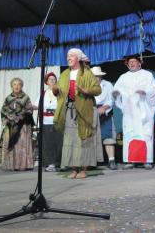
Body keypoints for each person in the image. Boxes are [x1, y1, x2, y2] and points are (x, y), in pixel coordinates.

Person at [53, 48, 103, 179]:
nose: (68, 58)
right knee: (71, 140)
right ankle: (74, 169)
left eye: (71, 56)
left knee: (83, 140)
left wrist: (84, 90)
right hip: (70, 109)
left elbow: (97, 89)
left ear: (78, 58)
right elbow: (58, 90)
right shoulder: (65, 74)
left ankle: (84, 170)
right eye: (67, 56)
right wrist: (56, 89)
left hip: (84, 110)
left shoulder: (86, 73)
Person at [113, 54, 155, 170]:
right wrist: (116, 93)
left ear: (139, 63)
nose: (131, 63)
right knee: (130, 134)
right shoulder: (123, 77)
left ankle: (146, 160)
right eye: (130, 62)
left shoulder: (147, 75)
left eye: (134, 61)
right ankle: (131, 160)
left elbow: (153, 90)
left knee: (145, 133)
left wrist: (143, 92)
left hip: (143, 110)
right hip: (130, 111)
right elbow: (116, 89)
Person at [0, 78, 34, 170]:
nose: (16, 86)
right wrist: (4, 119)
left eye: (18, 84)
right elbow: (3, 110)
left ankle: (21, 165)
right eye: (14, 84)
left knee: (20, 144)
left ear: (21, 86)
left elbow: (30, 110)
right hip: (10, 125)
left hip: (21, 125)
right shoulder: (8, 98)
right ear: (11, 86)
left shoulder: (25, 97)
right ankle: (11, 165)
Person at [31, 72, 62, 172]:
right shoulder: (43, 94)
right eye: (50, 79)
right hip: (46, 122)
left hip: (58, 121)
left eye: (54, 79)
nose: (52, 81)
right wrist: (30, 106)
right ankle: (51, 164)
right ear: (47, 82)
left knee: (60, 143)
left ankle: (60, 163)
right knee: (49, 143)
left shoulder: (60, 93)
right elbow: (36, 106)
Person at [91, 66, 118, 170]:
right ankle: (92, 162)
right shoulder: (88, 86)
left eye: (96, 76)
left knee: (109, 137)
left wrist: (104, 107)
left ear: (100, 76)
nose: (95, 78)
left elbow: (112, 100)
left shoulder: (108, 85)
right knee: (91, 138)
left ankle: (111, 161)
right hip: (92, 111)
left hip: (105, 113)